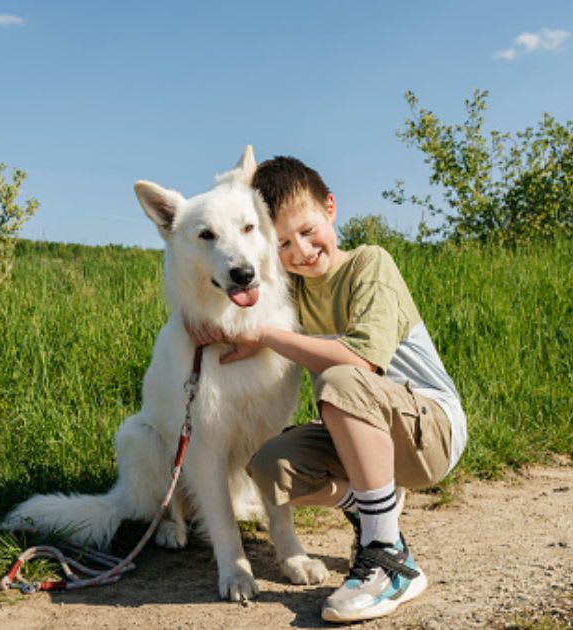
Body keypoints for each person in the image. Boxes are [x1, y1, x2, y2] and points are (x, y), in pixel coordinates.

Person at [189, 156, 466, 623]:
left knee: (341, 378)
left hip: (431, 431)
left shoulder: (370, 264)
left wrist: (265, 337)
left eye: (307, 230)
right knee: (268, 467)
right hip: (361, 436)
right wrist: (199, 326)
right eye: (281, 243)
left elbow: (363, 362)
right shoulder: (293, 291)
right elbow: (241, 308)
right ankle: (375, 508)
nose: (299, 250)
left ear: (331, 208)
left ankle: (386, 556)